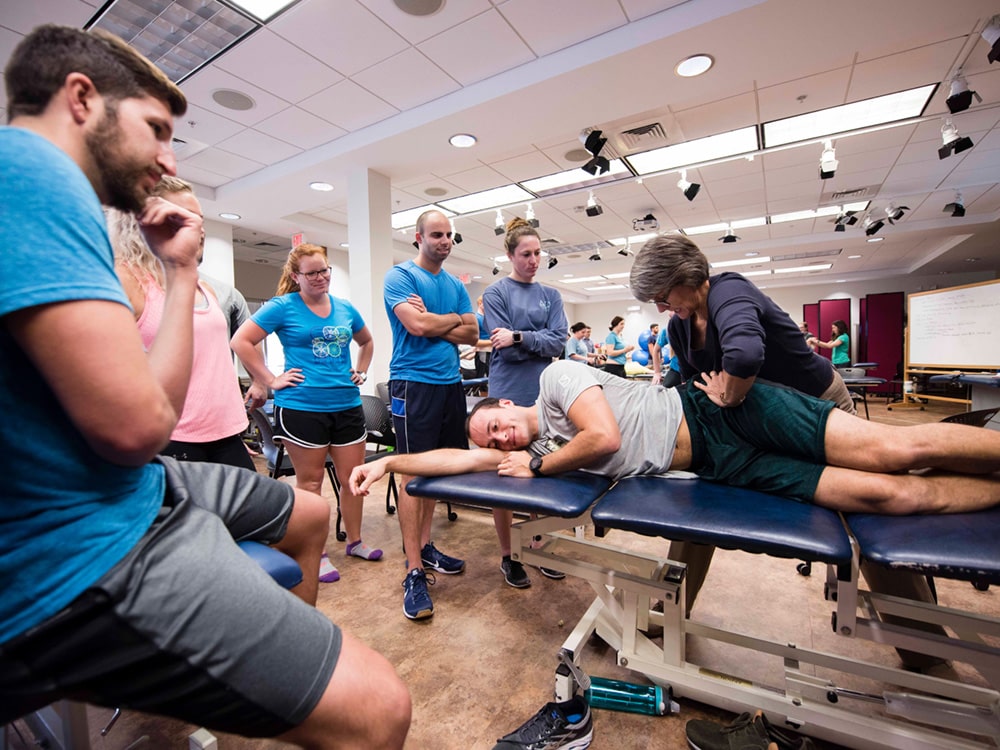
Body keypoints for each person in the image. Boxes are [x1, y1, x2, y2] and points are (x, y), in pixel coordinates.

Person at [0, 24, 409, 748]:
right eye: (156, 129)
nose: (169, 155)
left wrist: (183, 269)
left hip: (132, 483)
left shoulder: (50, 197)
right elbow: (136, 428)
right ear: (81, 98)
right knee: (382, 709)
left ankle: (279, 687)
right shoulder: (28, 174)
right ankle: (294, 694)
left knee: (310, 517)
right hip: (82, 546)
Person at [629, 233, 941, 668]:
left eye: (662, 295)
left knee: (865, 511)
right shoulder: (680, 326)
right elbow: (687, 379)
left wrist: (732, 396)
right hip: (760, 426)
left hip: (819, 410)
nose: (661, 307)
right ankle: (672, 609)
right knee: (696, 504)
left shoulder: (729, 291)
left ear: (686, 276)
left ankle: (926, 650)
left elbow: (744, 354)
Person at [352, 360, 1000, 521]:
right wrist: (387, 465)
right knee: (892, 498)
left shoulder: (554, 381)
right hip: (722, 464)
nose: (494, 438)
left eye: (492, 422)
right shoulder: (520, 450)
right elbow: (454, 456)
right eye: (489, 440)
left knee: (899, 450)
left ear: (509, 405)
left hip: (724, 414)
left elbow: (602, 438)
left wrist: (543, 465)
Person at [232, 242, 380, 584]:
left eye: (324, 270)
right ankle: (317, 552)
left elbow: (367, 341)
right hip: (302, 408)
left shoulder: (344, 308)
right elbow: (241, 341)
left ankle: (355, 541)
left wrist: (361, 369)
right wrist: (269, 379)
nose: (320, 277)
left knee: (353, 479)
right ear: (296, 276)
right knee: (310, 483)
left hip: (346, 405)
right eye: (311, 272)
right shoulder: (282, 307)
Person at [108, 177, 254, 471]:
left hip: (226, 436)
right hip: (172, 440)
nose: (197, 229)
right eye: (182, 218)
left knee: (276, 515)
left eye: (199, 220)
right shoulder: (125, 281)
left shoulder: (204, 289)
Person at [383, 209, 479, 620]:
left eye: (449, 235)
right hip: (412, 383)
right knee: (411, 475)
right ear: (417, 237)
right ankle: (413, 570)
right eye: (436, 234)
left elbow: (473, 333)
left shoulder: (454, 284)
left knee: (438, 471)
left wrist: (444, 319)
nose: (445, 241)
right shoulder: (400, 277)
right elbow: (417, 327)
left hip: (449, 384)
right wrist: (448, 322)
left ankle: (424, 546)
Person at [483, 216, 569, 588]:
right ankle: (508, 555)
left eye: (538, 253)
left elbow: (559, 342)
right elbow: (521, 350)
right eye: (526, 254)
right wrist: (533, 342)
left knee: (538, 470)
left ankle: (536, 546)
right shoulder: (496, 294)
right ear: (509, 255)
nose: (534, 260)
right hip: (506, 392)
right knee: (504, 477)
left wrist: (518, 337)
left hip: (541, 397)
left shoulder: (551, 296)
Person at [652, 314, 683, 388]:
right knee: (664, 390)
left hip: (694, 371)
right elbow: (656, 350)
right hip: (676, 370)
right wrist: (657, 372)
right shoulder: (666, 331)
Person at [474, 295, 492, 378]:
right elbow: (475, 339)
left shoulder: (486, 318)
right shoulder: (476, 318)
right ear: (481, 304)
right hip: (482, 351)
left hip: (490, 351)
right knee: (482, 376)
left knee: (490, 374)